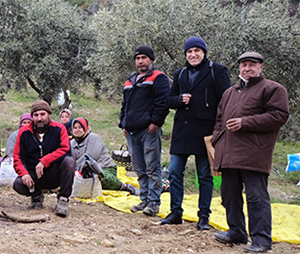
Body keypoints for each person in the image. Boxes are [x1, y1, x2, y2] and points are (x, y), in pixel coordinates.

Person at [211, 52, 289, 253]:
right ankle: (236, 232)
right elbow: (219, 119)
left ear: (261, 67)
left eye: (252, 65)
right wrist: (217, 140)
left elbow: (279, 115)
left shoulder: (272, 89)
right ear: (239, 68)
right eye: (244, 65)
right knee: (229, 195)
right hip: (228, 153)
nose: (247, 68)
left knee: (256, 198)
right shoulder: (230, 92)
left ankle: (261, 240)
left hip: (254, 154)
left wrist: (245, 123)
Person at [159, 37, 231, 230]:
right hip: (181, 132)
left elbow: (226, 101)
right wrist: (179, 100)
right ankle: (175, 213)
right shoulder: (180, 73)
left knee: (205, 176)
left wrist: (220, 130)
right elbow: (168, 100)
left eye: (197, 51)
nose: (193, 55)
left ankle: (204, 217)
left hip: (205, 134)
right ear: (185, 54)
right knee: (174, 173)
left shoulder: (217, 71)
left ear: (204, 52)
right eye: (189, 52)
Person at [119, 45, 170, 217]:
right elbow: (125, 105)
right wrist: (123, 123)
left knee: (152, 167)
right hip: (131, 132)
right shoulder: (129, 81)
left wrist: (156, 122)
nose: (140, 61)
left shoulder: (158, 78)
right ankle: (145, 199)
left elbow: (163, 102)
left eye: (144, 58)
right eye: (138, 58)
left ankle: (154, 202)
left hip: (149, 130)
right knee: (139, 168)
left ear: (151, 60)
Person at [12, 100, 75, 217]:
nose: (39, 118)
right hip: (34, 176)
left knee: (69, 162)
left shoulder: (59, 129)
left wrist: (44, 161)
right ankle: (36, 196)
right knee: (18, 184)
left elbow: (65, 149)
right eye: (36, 115)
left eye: (42, 114)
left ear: (49, 114)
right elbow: (17, 157)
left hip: (54, 173)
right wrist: (24, 174)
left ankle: (63, 199)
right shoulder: (24, 132)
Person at [70, 117, 139, 195]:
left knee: (98, 178)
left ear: (85, 128)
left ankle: (124, 187)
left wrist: (75, 168)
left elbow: (90, 157)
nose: (77, 130)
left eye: (80, 127)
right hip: (83, 169)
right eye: (75, 128)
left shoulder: (94, 138)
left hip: (104, 167)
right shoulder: (72, 143)